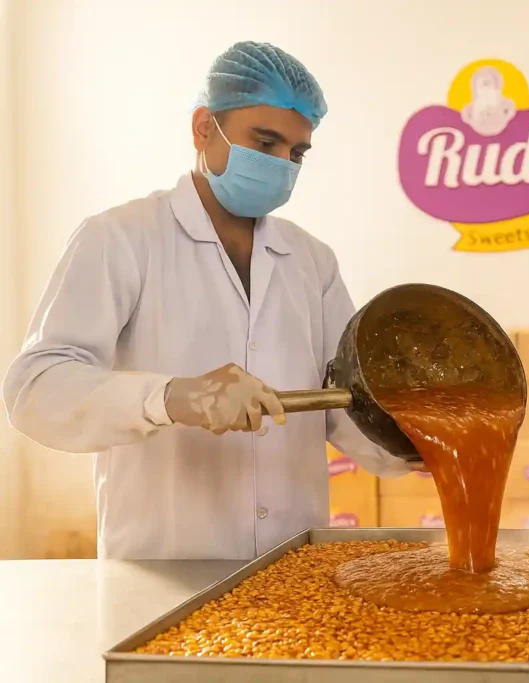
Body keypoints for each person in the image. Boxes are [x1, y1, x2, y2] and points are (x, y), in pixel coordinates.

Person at [2, 41, 417, 560]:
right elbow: (35, 390)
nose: (281, 164)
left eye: (296, 153)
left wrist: (415, 439)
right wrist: (171, 397)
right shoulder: (120, 238)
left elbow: (346, 407)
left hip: (293, 570)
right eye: (264, 143)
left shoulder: (311, 260)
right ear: (204, 127)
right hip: (163, 571)